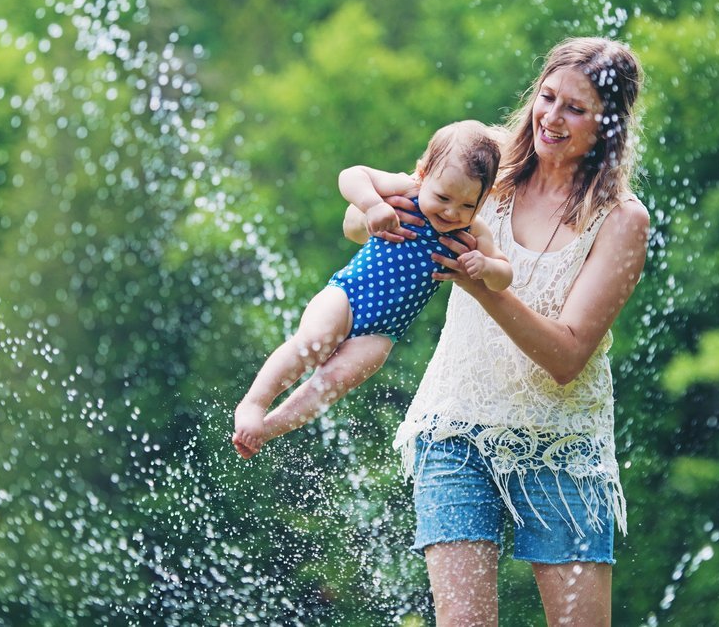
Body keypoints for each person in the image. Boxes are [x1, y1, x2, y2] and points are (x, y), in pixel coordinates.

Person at [343, 38, 649, 626]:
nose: (551, 118)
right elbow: (363, 218)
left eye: (575, 109)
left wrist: (482, 285)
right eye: (547, 96)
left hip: (562, 441)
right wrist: (375, 217)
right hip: (456, 423)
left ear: (608, 125)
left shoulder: (622, 220)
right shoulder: (487, 163)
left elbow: (566, 356)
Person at [233, 120, 511, 459]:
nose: (452, 212)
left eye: (468, 205)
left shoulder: (476, 232)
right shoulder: (406, 188)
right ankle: (254, 404)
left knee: (333, 382)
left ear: (486, 197)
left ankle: (268, 428)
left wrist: (486, 267)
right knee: (311, 344)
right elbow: (351, 175)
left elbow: (504, 275)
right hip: (349, 295)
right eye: (442, 197)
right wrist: (373, 205)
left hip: (382, 333)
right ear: (423, 174)